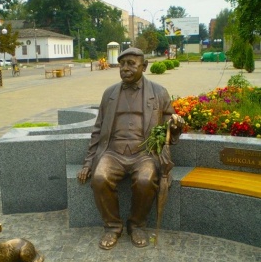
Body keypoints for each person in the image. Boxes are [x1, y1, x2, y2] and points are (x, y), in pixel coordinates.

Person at [77, 47, 184, 250]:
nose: (125, 68)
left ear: (144, 66)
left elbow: (170, 124)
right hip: (112, 152)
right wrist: (89, 162)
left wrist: (176, 126)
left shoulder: (159, 92)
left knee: (145, 180)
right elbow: (98, 130)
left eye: (131, 64)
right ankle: (112, 226)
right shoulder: (109, 93)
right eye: (122, 64)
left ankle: (136, 225)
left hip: (145, 153)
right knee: (99, 179)